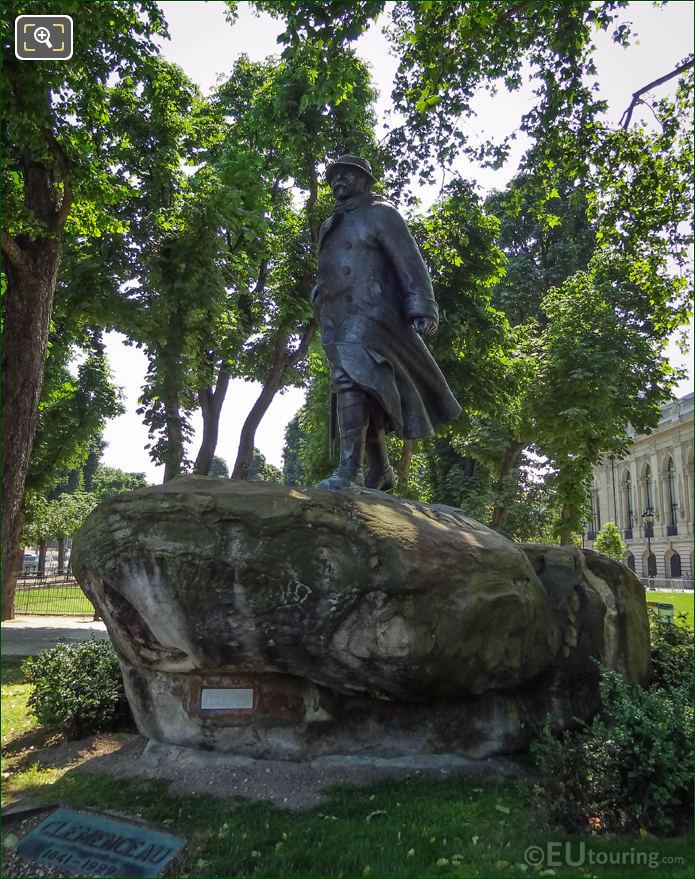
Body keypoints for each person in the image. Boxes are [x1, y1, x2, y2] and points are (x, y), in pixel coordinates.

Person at [311, 155, 461, 490]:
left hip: (373, 311)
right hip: (337, 315)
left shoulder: (381, 213)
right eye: (334, 176)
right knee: (368, 385)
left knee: (349, 379)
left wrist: (423, 305)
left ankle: (350, 467)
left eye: (347, 174)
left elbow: (409, 260)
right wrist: (318, 292)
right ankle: (380, 470)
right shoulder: (331, 223)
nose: (339, 180)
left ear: (366, 179)